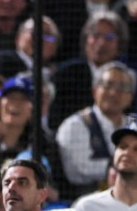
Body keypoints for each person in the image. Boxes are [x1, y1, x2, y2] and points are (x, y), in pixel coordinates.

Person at [56, 62, 135, 198]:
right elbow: (77, 171)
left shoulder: (133, 125)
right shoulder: (75, 125)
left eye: (122, 87)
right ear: (94, 90)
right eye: (108, 85)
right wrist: (124, 166)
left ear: (131, 98)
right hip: (85, 202)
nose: (114, 92)